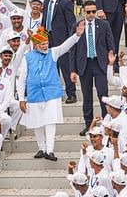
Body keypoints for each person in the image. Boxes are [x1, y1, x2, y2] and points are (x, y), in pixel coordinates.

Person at [18, 22, 85, 161]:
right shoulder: (28, 57)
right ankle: (41, 148)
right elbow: (22, 79)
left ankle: (50, 150)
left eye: (46, 43)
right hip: (34, 93)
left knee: (50, 121)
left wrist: (76, 35)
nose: (45, 46)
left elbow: (64, 46)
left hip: (52, 92)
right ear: (36, 44)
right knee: (37, 122)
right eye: (42, 43)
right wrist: (21, 99)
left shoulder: (53, 53)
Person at [69, 0, 114, 135]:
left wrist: (111, 59)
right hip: (84, 64)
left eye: (93, 11)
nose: (91, 14)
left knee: (103, 95)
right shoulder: (77, 26)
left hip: (99, 63)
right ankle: (88, 124)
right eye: (88, 12)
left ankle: (107, 122)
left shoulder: (103, 25)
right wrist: (72, 69)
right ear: (83, 12)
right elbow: (73, 49)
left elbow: (110, 43)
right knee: (87, 96)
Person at [42, 0, 77, 104]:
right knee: (52, 68)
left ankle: (71, 93)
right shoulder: (46, 2)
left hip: (62, 40)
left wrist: (70, 41)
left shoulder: (65, 3)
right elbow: (45, 20)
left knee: (65, 67)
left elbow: (71, 24)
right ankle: (55, 93)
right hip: (48, 38)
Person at [94, 0, 127, 71]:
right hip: (107, 6)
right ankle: (104, 62)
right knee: (106, 37)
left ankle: (114, 61)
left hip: (121, 4)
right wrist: (99, 8)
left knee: (117, 35)